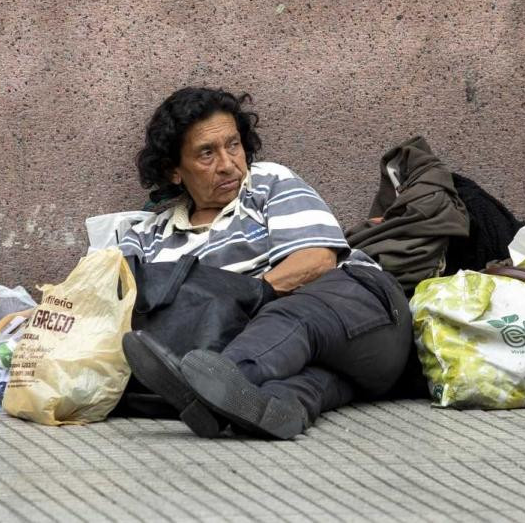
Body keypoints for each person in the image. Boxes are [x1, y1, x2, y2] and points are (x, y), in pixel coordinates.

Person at [118, 87, 411, 439]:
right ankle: (269, 410)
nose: (228, 164)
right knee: (301, 387)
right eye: (207, 154)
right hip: (318, 365)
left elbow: (317, 260)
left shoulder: (268, 183)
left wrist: (248, 295)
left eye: (234, 145)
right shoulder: (147, 236)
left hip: (362, 316)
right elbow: (102, 299)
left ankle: (214, 383)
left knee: (289, 315)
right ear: (174, 170)